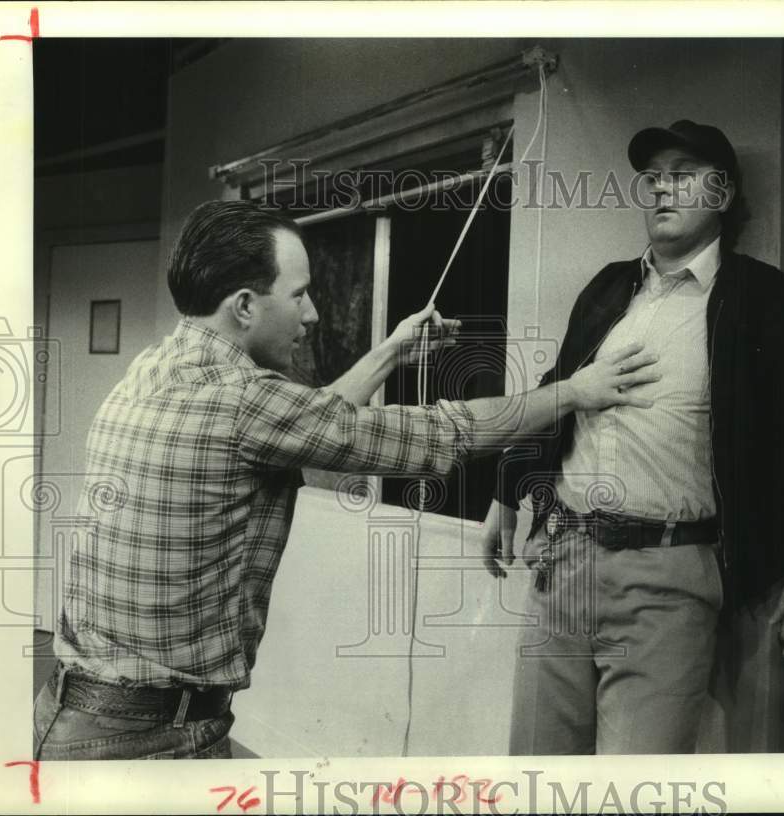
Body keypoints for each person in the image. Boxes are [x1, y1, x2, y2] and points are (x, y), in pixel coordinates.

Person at [33, 200, 661, 760]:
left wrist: (390, 350)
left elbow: (308, 424)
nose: (313, 312)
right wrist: (573, 391)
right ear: (246, 306)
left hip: (80, 713)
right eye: (299, 293)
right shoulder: (242, 400)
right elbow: (436, 435)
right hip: (150, 738)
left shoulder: (159, 366)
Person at [482, 120, 784, 754]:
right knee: (536, 769)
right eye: (653, 178)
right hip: (563, 561)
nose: (662, 190)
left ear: (722, 196)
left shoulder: (770, 303)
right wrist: (507, 491)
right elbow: (561, 393)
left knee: (632, 785)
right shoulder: (609, 288)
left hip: (668, 576)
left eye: (683, 175)